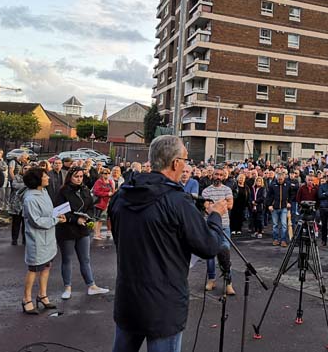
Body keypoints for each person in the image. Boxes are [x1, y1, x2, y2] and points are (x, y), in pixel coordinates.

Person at [109, 135, 228, 352]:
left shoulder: (122, 195)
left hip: (128, 299)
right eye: (185, 159)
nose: (186, 164)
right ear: (176, 163)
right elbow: (209, 246)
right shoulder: (177, 201)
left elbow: (116, 232)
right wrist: (215, 216)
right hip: (163, 304)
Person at [55, 166, 110, 300]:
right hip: (67, 229)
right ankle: (67, 287)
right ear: (70, 177)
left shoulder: (85, 189)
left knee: (85, 259)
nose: (79, 179)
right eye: (76, 176)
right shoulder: (63, 191)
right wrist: (75, 219)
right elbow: (59, 211)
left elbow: (91, 206)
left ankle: (91, 285)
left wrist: (87, 216)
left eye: (81, 176)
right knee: (67, 259)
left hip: (83, 228)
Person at [21, 167, 67, 314]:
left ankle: (42, 295)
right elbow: (36, 221)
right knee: (34, 269)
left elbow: (49, 212)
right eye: (45, 175)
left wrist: (58, 216)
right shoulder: (30, 199)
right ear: (37, 180)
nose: (47, 177)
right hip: (37, 239)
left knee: (47, 266)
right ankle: (26, 299)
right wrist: (55, 220)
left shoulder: (44, 192)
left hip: (48, 237)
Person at [202, 167, 235, 295]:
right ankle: (211, 279)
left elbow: (230, 205)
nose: (218, 177)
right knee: (210, 254)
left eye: (221, 175)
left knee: (225, 253)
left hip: (225, 225)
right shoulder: (206, 191)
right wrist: (220, 205)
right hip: (210, 225)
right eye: (216, 174)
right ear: (212, 175)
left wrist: (214, 205)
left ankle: (228, 282)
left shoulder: (227, 189)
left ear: (224, 177)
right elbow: (207, 208)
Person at [267, 172, 291, 247]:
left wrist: (289, 202)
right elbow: (269, 196)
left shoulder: (287, 185)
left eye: (281, 179)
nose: (280, 181)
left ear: (284, 178)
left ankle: (283, 240)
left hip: (284, 207)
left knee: (284, 224)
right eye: (278, 179)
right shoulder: (273, 185)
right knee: (275, 225)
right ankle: (275, 239)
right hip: (274, 207)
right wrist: (269, 205)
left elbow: (291, 194)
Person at [8, 163, 29, 245]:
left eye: (28, 169)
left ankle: (25, 239)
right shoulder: (17, 177)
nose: (27, 170)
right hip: (17, 204)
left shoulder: (32, 178)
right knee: (16, 223)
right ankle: (14, 239)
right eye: (25, 168)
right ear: (22, 169)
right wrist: (26, 185)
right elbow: (15, 185)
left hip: (27, 203)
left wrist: (23, 185)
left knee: (25, 223)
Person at [92, 168, 115, 240]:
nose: (107, 175)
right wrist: (107, 193)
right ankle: (95, 234)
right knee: (97, 219)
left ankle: (98, 233)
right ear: (101, 174)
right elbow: (96, 192)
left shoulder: (110, 182)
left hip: (106, 203)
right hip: (99, 203)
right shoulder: (99, 182)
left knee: (102, 219)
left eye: (108, 173)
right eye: (105, 173)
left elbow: (112, 191)